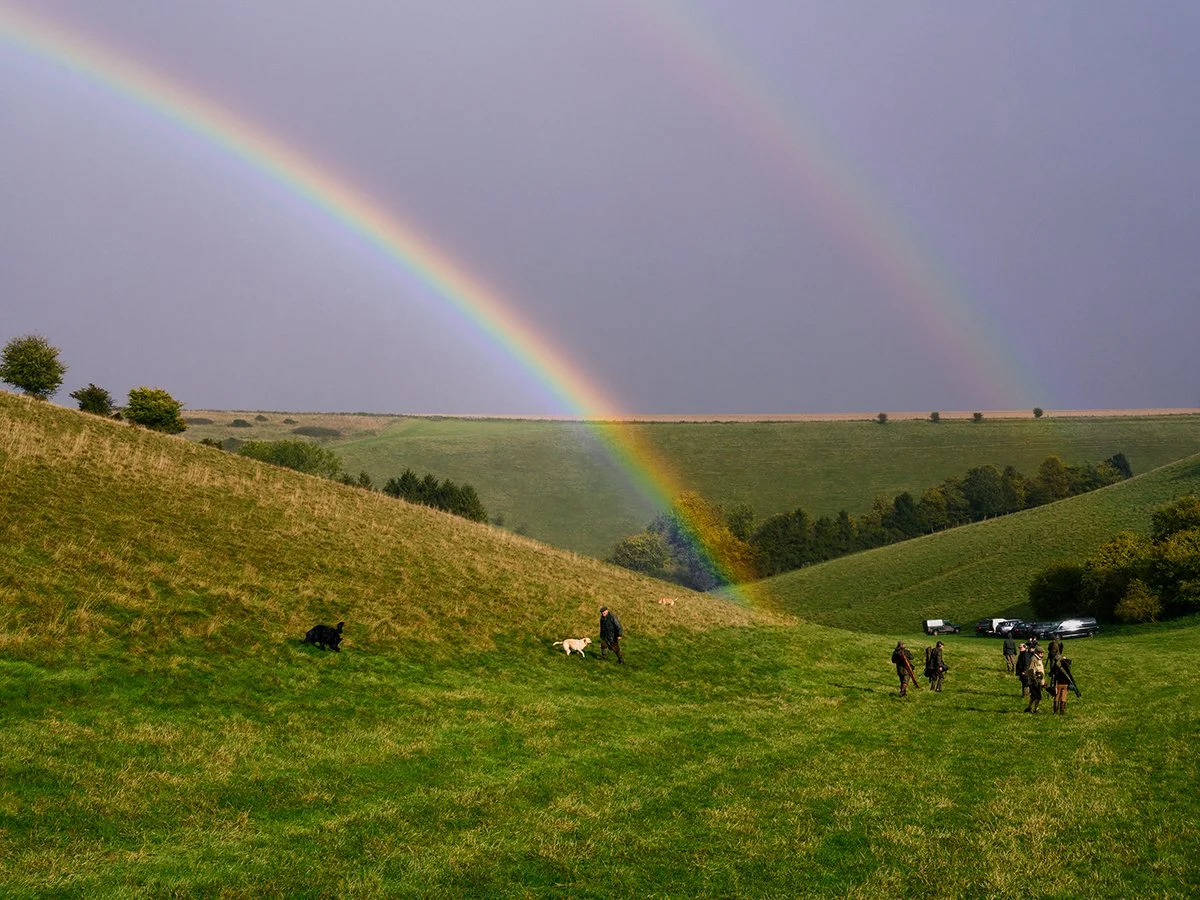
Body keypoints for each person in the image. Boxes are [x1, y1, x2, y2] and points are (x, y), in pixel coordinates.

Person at [1024, 647, 1046, 713]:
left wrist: (1043, 681)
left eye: (1042, 653)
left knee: (1033, 696)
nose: (1042, 654)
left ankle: (1028, 708)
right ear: (1037, 652)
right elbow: (1030, 671)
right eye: (1040, 653)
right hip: (1035, 681)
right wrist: (1035, 681)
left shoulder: (1039, 659)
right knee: (1038, 697)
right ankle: (1035, 709)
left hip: (1038, 680)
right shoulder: (1034, 659)